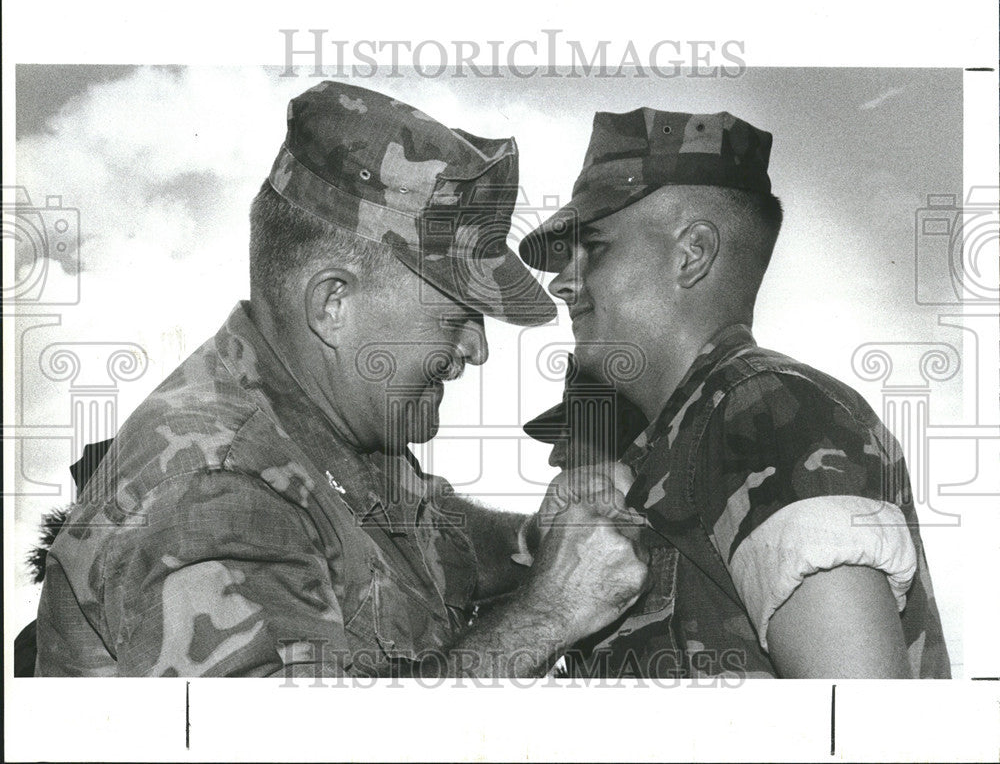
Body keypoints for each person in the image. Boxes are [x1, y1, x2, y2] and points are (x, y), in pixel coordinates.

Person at [33, 82, 649, 678]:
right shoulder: (211, 492)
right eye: (455, 318)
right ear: (333, 304)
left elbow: (433, 538)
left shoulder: (326, 429)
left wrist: (536, 538)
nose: (477, 349)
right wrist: (550, 612)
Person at [518, 107, 950, 678]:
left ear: (692, 253)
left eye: (593, 247)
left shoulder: (764, 412)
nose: (563, 282)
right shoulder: (677, 445)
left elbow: (858, 728)